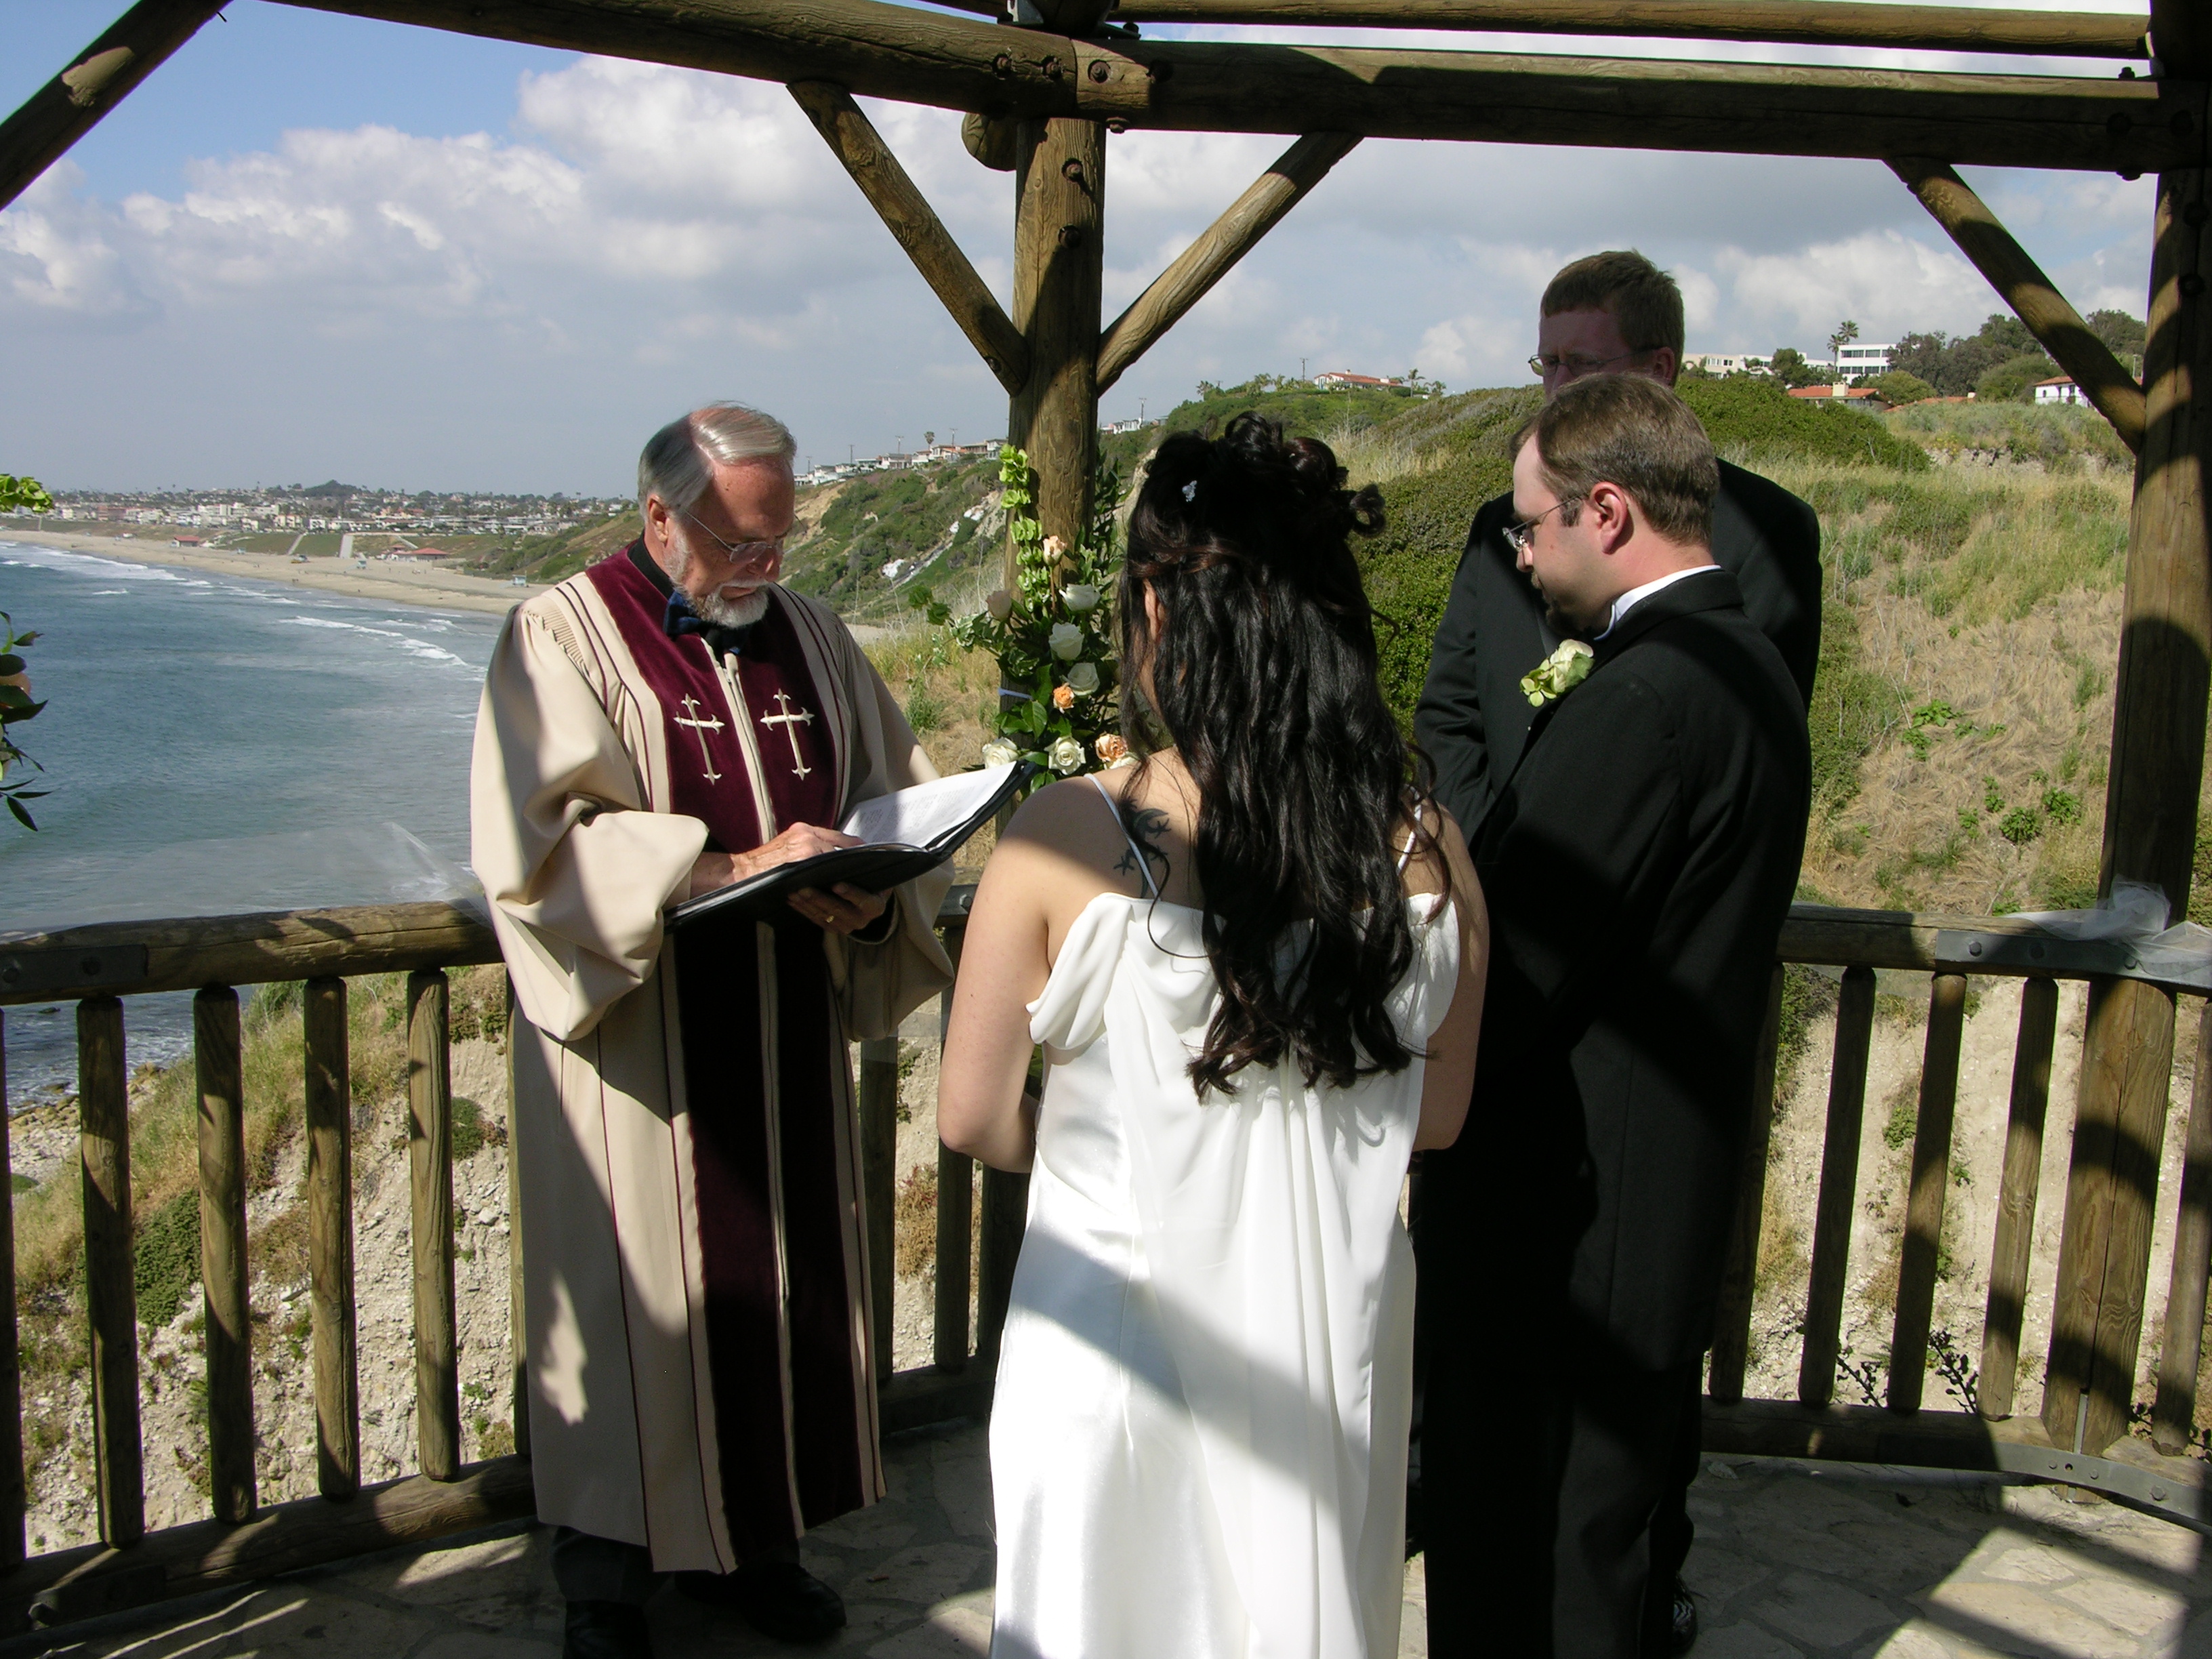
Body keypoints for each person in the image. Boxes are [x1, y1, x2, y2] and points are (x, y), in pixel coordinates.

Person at [938, 415, 1490, 1659]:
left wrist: (1118, 1137)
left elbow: (970, 1113)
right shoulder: (1428, 849)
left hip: (1115, 1330)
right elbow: (1440, 1117)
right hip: (1322, 1332)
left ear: (1154, 606)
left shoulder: (1062, 836)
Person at [470, 403, 954, 1659]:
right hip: (646, 1055)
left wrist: (871, 888)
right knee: (639, 1309)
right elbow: (539, 847)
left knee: (780, 1295)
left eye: (778, 539)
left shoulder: (814, 635)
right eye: (739, 543)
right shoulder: (558, 634)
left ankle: (764, 1551)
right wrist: (733, 864)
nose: (764, 566)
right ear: (659, 516)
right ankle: (605, 1583)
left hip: (786, 1030)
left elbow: (885, 795)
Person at [1413, 248, 1822, 1655]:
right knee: (1604, 1533)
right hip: (1658, 1172)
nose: (1520, 556)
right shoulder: (1739, 669)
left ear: (1606, 510)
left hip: (1566, 1199)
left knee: (1534, 1547)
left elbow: (1519, 968)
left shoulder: (1642, 703)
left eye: (1533, 528)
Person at [1416, 247, 1821, 842]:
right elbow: (1449, 715)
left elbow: (1744, 752)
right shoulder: (1500, 523)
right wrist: (1488, 862)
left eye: (1581, 363)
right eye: (1548, 364)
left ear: (1659, 368)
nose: (1558, 388)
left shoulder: (1767, 530)